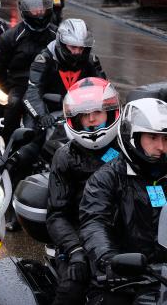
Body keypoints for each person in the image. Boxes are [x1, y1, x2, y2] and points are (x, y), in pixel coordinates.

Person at [79, 97, 167, 305]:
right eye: (152, 137)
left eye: (166, 139)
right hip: (123, 276)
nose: (161, 147)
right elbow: (94, 222)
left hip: (163, 273)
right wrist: (109, 259)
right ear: (132, 137)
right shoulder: (107, 178)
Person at [47, 78, 122, 305]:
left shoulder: (127, 148)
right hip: (79, 239)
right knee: (71, 290)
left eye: (97, 112)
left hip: (123, 238)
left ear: (110, 112)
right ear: (74, 118)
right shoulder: (65, 157)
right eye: (84, 114)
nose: (91, 119)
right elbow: (56, 215)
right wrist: (76, 250)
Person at [0, 0, 57, 143]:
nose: (39, 13)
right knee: (13, 104)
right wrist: (9, 87)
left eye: (42, 8)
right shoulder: (11, 37)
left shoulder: (57, 35)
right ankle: (9, 144)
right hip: (19, 86)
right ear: (25, 10)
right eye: (34, 9)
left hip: (48, 86)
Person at [24, 18, 105, 130]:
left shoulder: (91, 61)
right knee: (30, 136)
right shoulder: (43, 60)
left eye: (81, 48)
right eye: (73, 47)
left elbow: (104, 90)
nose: (77, 52)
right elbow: (31, 93)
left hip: (80, 114)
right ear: (61, 44)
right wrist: (42, 116)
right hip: (48, 113)